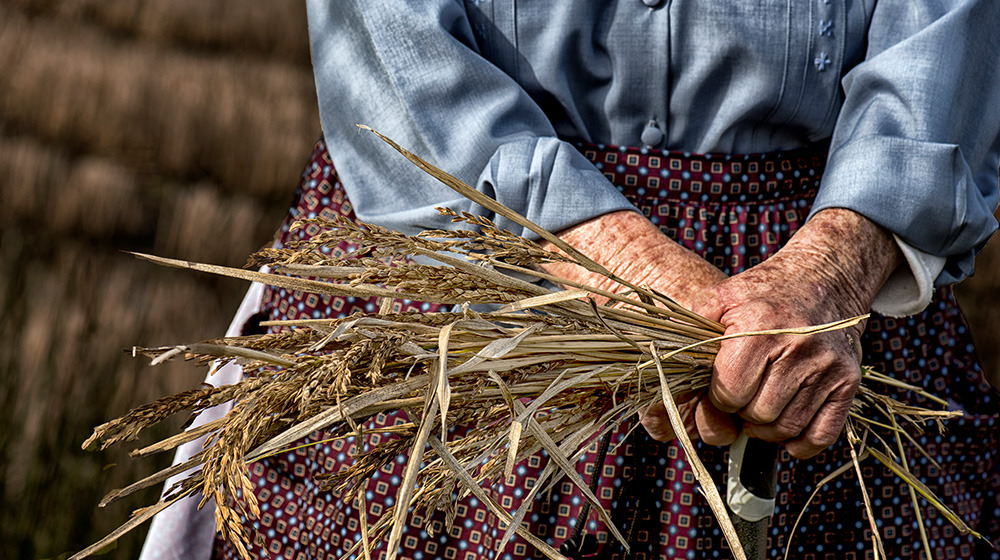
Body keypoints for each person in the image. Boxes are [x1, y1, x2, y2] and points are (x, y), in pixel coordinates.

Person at [141, 2, 1000, 559]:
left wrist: (829, 275)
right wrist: (617, 259)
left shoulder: (821, 298)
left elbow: (948, 46)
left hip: (815, 328)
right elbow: (390, 37)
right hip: (458, 272)